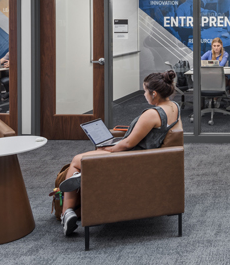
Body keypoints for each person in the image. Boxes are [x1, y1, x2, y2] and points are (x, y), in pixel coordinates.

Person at [57, 70, 181, 237]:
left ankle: (67, 212)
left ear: (154, 93)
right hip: (148, 157)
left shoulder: (152, 114)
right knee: (89, 157)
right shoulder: (174, 107)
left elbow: (128, 143)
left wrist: (108, 149)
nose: (144, 94)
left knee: (77, 160)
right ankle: (78, 187)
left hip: (131, 159)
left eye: (145, 91)